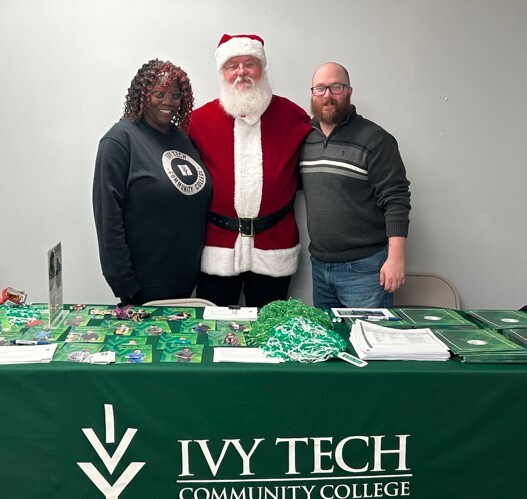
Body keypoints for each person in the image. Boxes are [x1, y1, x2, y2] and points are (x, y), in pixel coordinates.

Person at [189, 34, 312, 308]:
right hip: (217, 247)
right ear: (222, 72)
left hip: (274, 245)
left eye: (250, 63)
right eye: (233, 65)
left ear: (262, 68)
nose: (241, 72)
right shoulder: (198, 122)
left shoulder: (294, 117)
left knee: (268, 329)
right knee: (215, 330)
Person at [93, 59, 212, 306]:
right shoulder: (120, 140)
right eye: (159, 93)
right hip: (143, 287)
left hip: (190, 280)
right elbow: (108, 217)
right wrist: (124, 282)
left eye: (175, 94)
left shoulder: (182, 140)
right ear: (143, 94)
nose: (168, 101)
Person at [299, 62, 411, 309]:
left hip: (366, 270)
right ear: (312, 94)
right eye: (320, 88)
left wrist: (396, 259)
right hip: (319, 267)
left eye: (336, 87)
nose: (328, 95)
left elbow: (396, 200)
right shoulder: (304, 138)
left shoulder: (375, 139)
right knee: (329, 344)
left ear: (349, 91)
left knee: (369, 344)